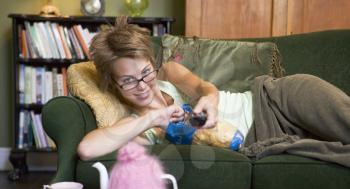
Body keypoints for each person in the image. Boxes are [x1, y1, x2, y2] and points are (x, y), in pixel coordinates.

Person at [78, 17, 350, 166]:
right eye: (128, 81)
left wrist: (210, 98)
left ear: (152, 63)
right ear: (114, 84)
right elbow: (87, 149)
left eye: (145, 72)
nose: (142, 85)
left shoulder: (169, 72)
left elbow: (201, 87)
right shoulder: (137, 126)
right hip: (262, 139)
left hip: (271, 99)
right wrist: (151, 118)